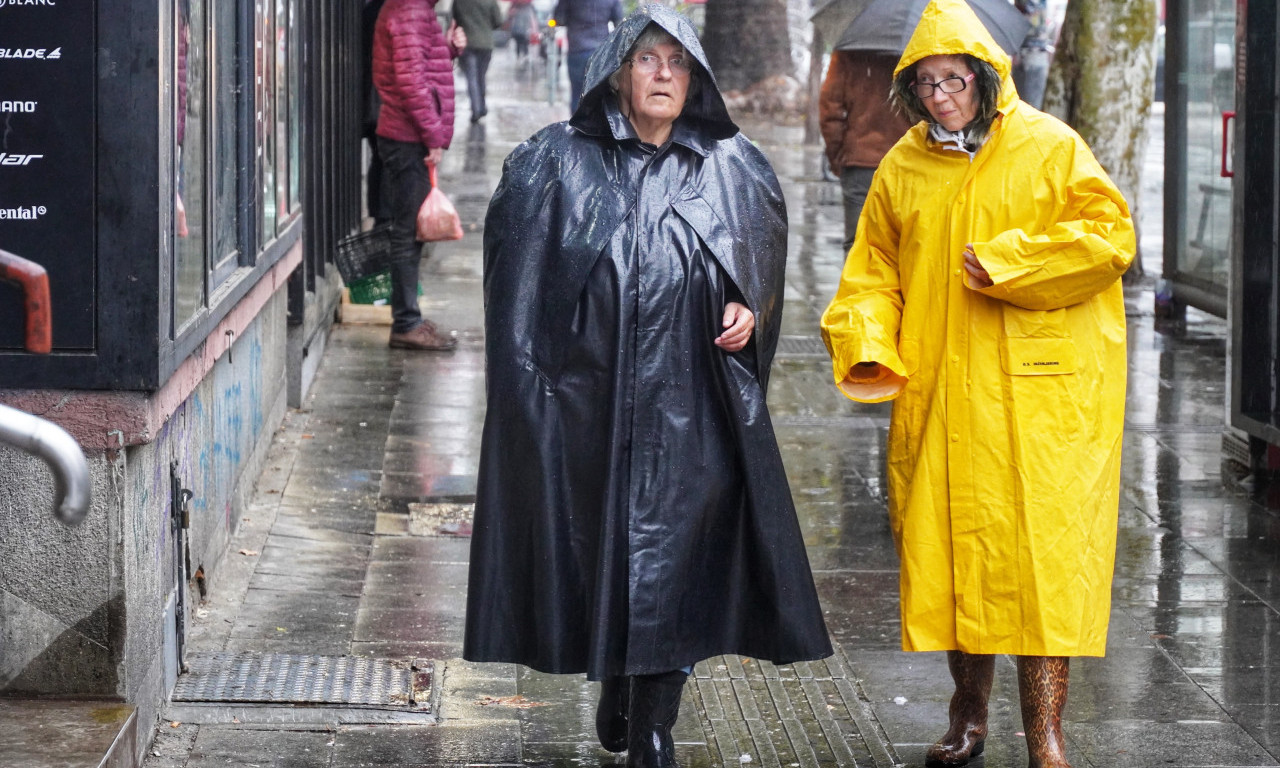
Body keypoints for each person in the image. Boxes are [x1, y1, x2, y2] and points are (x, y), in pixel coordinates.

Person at [464, 6, 833, 767]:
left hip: (690, 406)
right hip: (588, 404)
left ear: (694, 76)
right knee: (604, 550)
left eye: (677, 61)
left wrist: (747, 307)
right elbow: (517, 297)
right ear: (618, 71)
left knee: (678, 559)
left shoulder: (734, 166)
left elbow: (759, 267)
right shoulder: (553, 161)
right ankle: (618, 680)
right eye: (647, 60)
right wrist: (533, 408)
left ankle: (655, 722)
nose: (663, 74)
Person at [819, 1, 1135, 767]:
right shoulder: (903, 165)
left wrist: (1011, 263)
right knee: (954, 562)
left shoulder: (1050, 148)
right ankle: (969, 716)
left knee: (1040, 568)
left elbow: (1110, 235)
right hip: (941, 393)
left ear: (987, 77)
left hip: (1037, 401)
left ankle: (1046, 735)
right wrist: (866, 342)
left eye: (952, 79)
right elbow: (871, 274)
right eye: (924, 83)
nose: (938, 96)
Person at [371, 0, 461, 350]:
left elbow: (420, 67)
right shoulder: (408, 9)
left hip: (409, 135)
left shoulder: (415, 9)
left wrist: (448, 48)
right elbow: (411, 82)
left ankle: (410, 318)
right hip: (406, 137)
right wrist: (432, 136)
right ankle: (406, 323)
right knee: (408, 234)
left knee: (412, 233)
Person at [819, 49, 913, 255]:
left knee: (857, 245)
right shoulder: (913, 50)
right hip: (908, 164)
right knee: (905, 246)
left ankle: (856, 289)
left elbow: (830, 110)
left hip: (860, 162)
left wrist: (837, 158)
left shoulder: (848, 52)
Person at [552, 0, 624, 111]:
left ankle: (577, 126)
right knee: (600, 93)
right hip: (601, 52)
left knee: (577, 93)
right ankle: (598, 125)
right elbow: (619, 21)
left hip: (577, 50)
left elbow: (559, 19)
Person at [451, 0, 504, 123]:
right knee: (481, 76)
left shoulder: (459, 2)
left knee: (472, 77)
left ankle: (476, 108)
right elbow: (498, 21)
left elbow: (454, 19)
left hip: (467, 43)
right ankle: (482, 106)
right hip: (486, 44)